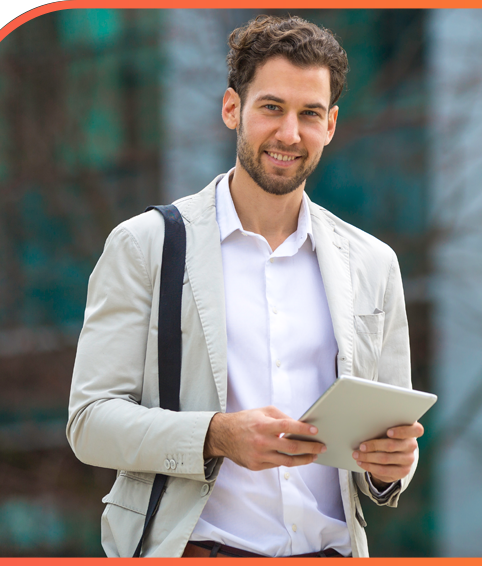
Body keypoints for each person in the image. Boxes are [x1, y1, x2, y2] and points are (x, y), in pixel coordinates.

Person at [67, 14, 422, 558]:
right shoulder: (147, 245)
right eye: (271, 108)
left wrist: (392, 467)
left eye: (308, 114)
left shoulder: (373, 263)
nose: (289, 134)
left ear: (330, 125)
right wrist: (216, 434)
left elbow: (388, 435)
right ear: (233, 108)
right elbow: (90, 423)